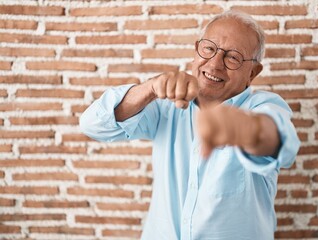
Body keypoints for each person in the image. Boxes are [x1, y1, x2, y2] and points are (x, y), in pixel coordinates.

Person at [80, 9, 300, 240]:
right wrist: (150, 88)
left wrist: (247, 130)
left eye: (233, 57)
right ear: (196, 50)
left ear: (252, 72)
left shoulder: (264, 106)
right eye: (209, 49)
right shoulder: (164, 104)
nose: (215, 64)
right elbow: (93, 125)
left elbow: (282, 144)